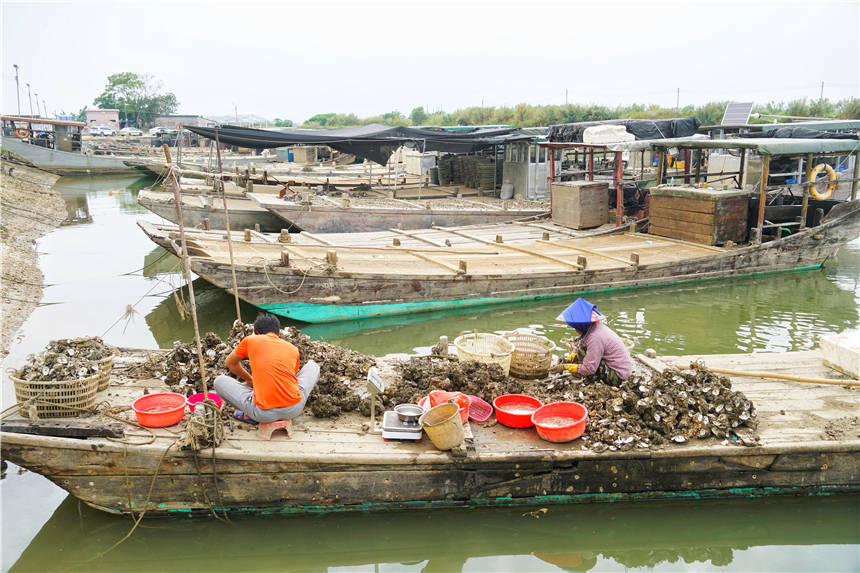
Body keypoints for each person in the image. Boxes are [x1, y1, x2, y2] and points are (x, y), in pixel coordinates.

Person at [214, 313, 320, 424]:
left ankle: (248, 415)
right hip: (294, 409)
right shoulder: (293, 348)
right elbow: (292, 376)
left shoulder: (250, 340)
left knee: (219, 381)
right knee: (313, 366)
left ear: (257, 333)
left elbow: (230, 363)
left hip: (263, 414)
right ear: (279, 333)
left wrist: (249, 379)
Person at [556, 297, 632, 386]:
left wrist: (565, 367)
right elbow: (581, 342)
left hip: (618, 376)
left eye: (575, 327)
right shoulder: (593, 327)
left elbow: (589, 368)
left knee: (583, 353)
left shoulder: (595, 337)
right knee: (580, 347)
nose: (575, 329)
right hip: (616, 366)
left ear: (581, 325)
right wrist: (571, 356)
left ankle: (590, 378)